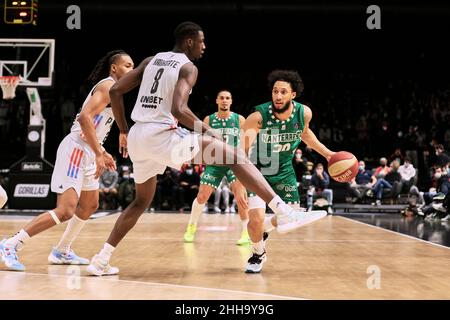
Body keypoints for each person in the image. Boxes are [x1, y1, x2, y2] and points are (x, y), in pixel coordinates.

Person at [87, 22, 326, 276]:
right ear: (189, 41)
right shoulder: (188, 67)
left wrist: (123, 130)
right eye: (201, 41)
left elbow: (115, 90)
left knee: (140, 202)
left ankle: (101, 260)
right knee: (233, 155)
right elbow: (179, 109)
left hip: (137, 137)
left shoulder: (150, 60)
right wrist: (209, 131)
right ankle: (283, 210)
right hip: (162, 136)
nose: (204, 46)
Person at [0, 50, 134, 271]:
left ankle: (62, 251)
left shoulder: (114, 91)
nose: (131, 69)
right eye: (127, 65)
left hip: (88, 150)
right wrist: (99, 153)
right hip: (75, 150)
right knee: (65, 210)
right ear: (114, 68)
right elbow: (83, 119)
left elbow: (93, 126)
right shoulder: (107, 86)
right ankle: (10, 244)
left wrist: (100, 150)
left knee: (90, 205)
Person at [241, 69, 334, 273]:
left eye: (283, 92)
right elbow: (241, 153)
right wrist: (240, 181)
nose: (278, 96)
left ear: (293, 95)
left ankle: (263, 229)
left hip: (283, 169)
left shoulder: (304, 113)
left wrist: (328, 154)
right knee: (254, 220)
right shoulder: (257, 117)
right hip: (257, 170)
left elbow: (306, 135)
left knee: (291, 215)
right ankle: (258, 254)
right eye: (275, 91)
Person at [183, 89, 251, 245]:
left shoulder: (239, 119)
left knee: (241, 197)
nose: (225, 100)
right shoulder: (209, 119)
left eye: (228, 98)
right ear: (217, 101)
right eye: (222, 98)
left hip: (234, 162)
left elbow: (247, 141)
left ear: (231, 101)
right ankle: (191, 226)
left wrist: (245, 158)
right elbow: (202, 142)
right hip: (215, 162)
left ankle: (246, 233)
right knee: (202, 196)